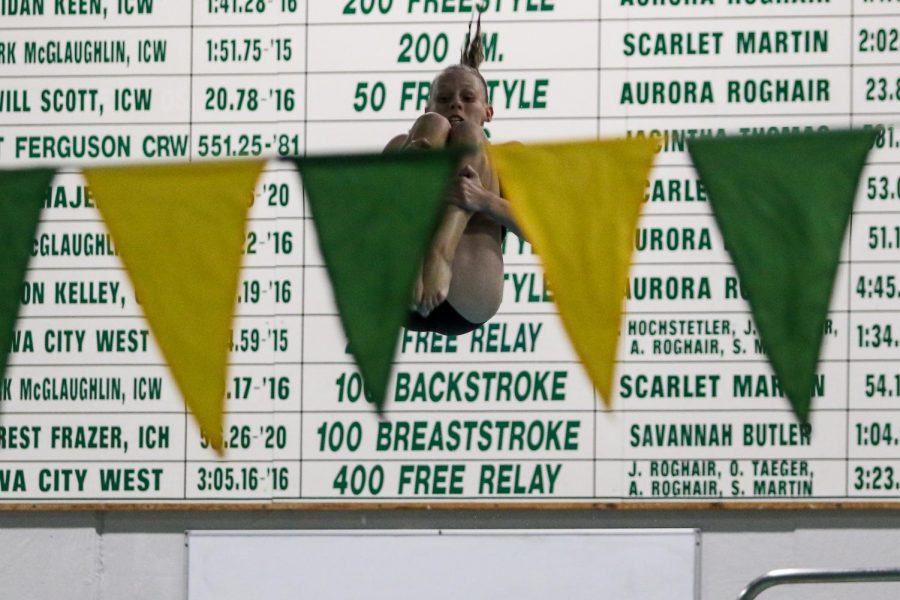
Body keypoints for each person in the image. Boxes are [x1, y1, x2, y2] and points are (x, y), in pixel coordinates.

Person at [385, 16, 523, 336]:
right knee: (431, 127)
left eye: (468, 98)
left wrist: (485, 201)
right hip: (403, 284)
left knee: (470, 137)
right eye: (443, 99)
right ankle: (425, 255)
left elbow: (541, 232)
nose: (455, 105)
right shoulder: (400, 145)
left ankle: (440, 253)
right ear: (428, 102)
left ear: (488, 111)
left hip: (468, 290)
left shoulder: (506, 159)